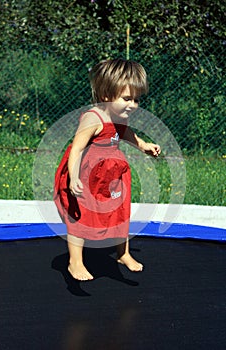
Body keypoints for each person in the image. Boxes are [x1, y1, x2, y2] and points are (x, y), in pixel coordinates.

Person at [54, 58, 161, 281]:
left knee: (120, 211)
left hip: (112, 173)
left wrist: (143, 145)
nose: (133, 105)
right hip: (86, 173)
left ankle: (123, 253)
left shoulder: (119, 115)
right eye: (127, 98)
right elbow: (76, 148)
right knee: (80, 214)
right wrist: (73, 177)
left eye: (136, 99)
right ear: (106, 95)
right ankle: (75, 261)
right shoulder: (93, 118)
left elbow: (125, 133)